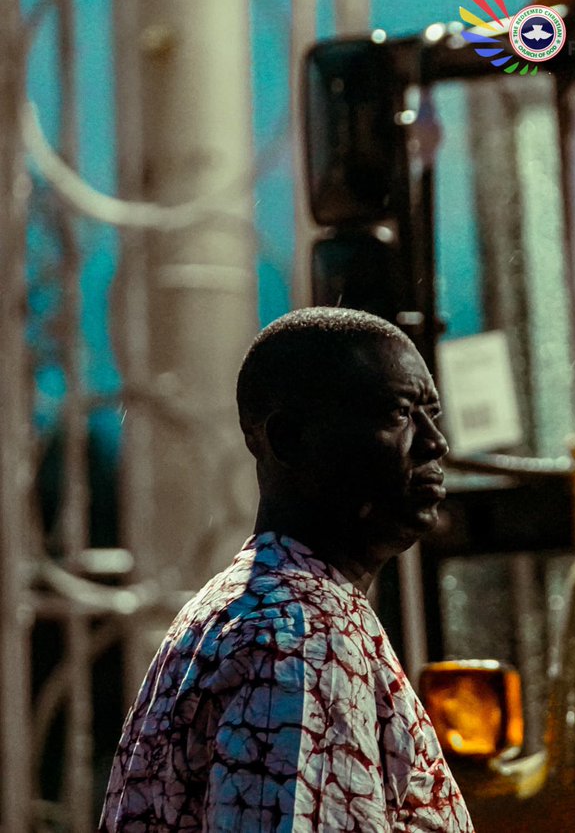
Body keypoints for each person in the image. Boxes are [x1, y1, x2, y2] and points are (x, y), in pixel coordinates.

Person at [100, 307, 474, 832]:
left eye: (432, 415)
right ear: (290, 439)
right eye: (399, 415)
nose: (436, 443)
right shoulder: (300, 638)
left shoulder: (250, 611)